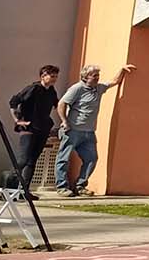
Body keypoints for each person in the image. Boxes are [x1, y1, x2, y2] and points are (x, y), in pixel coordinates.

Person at [55, 63, 136, 196]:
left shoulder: (98, 88)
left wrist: (121, 69)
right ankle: (62, 187)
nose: (97, 78)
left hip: (89, 132)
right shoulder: (77, 89)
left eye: (98, 75)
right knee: (63, 159)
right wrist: (64, 121)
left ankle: (80, 186)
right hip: (73, 130)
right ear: (86, 77)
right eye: (94, 76)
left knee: (91, 158)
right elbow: (62, 104)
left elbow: (114, 82)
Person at [7, 64, 62, 197]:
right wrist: (18, 120)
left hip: (42, 129)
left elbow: (58, 105)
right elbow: (14, 102)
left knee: (32, 161)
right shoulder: (33, 88)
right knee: (23, 160)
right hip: (29, 129)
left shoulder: (51, 91)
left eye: (56, 76)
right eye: (52, 76)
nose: (54, 79)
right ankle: (8, 190)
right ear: (43, 76)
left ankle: (25, 192)